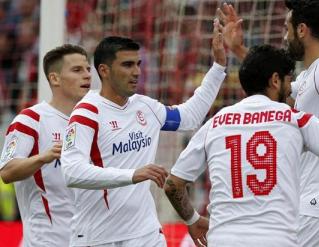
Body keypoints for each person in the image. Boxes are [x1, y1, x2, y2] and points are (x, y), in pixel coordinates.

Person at [164, 45, 319, 247]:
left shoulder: (215, 123)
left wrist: (192, 218)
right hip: (277, 239)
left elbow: (172, 185)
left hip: (223, 240)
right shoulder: (294, 119)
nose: (291, 87)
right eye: (288, 80)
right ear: (275, 81)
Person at [218, 1, 319, 246]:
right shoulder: (311, 75)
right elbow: (276, 84)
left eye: (287, 28)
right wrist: (239, 49)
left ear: (302, 30)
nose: (284, 37)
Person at [60, 21, 227, 247]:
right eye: (127, 65)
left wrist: (218, 67)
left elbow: (190, 117)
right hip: (98, 237)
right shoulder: (87, 112)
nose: (137, 72)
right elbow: (71, 172)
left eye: (138, 64)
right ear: (104, 70)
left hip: (146, 234)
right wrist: (133, 174)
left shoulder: (145, 107)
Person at [0, 44, 91, 246]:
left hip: (90, 238)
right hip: (46, 241)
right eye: (77, 70)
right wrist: (44, 157)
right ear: (55, 78)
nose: (87, 75)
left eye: (88, 69)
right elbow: (7, 172)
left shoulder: (93, 121)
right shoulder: (30, 120)